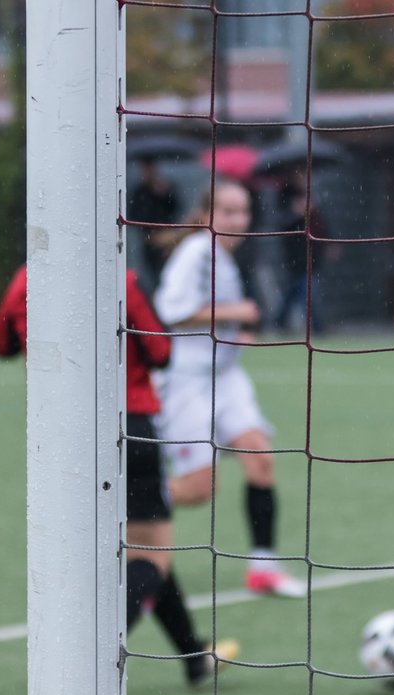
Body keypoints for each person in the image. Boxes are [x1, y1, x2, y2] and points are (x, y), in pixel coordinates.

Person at [0, 265, 239, 686]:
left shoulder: (27, 278)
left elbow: (1, 344)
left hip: (59, 437)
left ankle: (194, 656)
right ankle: (89, 652)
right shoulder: (120, 279)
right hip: (126, 424)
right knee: (149, 554)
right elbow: (161, 353)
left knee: (141, 546)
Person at [154, 179, 307, 598]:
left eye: (243, 212)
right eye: (228, 211)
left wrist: (232, 334)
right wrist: (237, 313)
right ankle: (124, 503)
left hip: (226, 377)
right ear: (206, 215)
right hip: (187, 381)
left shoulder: (222, 256)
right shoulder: (197, 252)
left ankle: (262, 568)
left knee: (260, 458)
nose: (238, 220)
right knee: (200, 490)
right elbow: (172, 311)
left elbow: (208, 321)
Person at [274, 179, 334, 334]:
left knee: (301, 295)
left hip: (312, 261)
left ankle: (312, 326)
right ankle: (314, 327)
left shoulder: (314, 215)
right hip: (295, 262)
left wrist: (329, 245)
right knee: (300, 295)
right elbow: (283, 226)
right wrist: (297, 213)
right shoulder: (288, 211)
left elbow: (322, 230)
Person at [127, 159, 179, 288]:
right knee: (152, 275)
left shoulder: (165, 187)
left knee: (168, 272)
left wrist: (164, 194)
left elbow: (175, 208)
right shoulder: (139, 191)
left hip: (167, 237)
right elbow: (135, 215)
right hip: (149, 240)